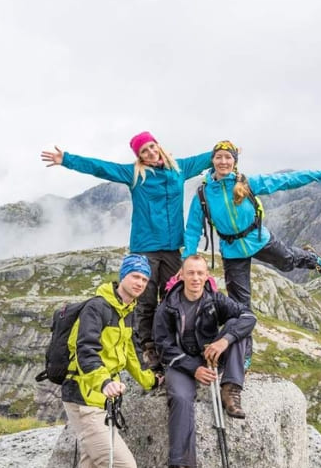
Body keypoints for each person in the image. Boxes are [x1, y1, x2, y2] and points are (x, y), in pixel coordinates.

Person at [42, 133, 212, 364]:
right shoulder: (134, 174)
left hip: (173, 247)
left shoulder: (179, 168)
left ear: (158, 145)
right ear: (139, 157)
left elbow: (209, 158)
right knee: (146, 299)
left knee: (173, 295)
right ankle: (149, 347)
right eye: (144, 151)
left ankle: (172, 340)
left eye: (152, 147)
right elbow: (101, 168)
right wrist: (67, 159)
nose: (151, 152)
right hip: (146, 248)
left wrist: (229, 151)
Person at [62, 254, 161, 468]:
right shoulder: (98, 308)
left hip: (99, 401)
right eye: (136, 277)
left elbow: (129, 353)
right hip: (84, 400)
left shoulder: (127, 312)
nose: (140, 283)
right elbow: (84, 350)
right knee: (124, 467)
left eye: (145, 280)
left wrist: (149, 380)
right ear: (124, 276)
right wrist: (104, 381)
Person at [183, 140, 321, 309]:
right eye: (219, 157)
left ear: (235, 161)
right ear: (213, 160)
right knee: (240, 306)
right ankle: (242, 335)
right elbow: (193, 230)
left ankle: (311, 258)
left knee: (287, 262)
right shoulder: (203, 195)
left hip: (258, 238)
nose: (223, 161)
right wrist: (188, 259)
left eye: (228, 157)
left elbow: (286, 180)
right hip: (232, 250)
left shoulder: (247, 183)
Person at [153, 254, 256, 468]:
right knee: (180, 398)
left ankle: (230, 389)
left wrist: (223, 341)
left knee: (239, 329)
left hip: (211, 356)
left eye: (201, 273)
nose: (196, 278)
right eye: (191, 273)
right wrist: (193, 368)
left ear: (207, 276)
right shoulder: (167, 306)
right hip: (181, 363)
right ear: (182, 275)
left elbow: (249, 317)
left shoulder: (215, 299)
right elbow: (163, 346)